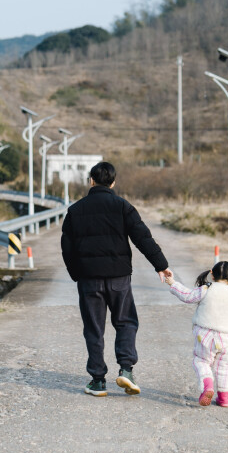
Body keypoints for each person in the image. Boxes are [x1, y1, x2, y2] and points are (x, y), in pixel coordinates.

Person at [61, 161, 172, 397]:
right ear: (113, 182)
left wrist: (76, 274)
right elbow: (143, 237)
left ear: (91, 181)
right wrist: (160, 265)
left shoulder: (75, 210)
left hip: (89, 279)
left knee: (94, 328)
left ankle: (98, 381)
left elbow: (67, 248)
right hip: (118, 277)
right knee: (125, 322)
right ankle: (126, 370)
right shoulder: (123, 206)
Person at [163, 261, 228, 408]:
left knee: (201, 361)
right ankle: (224, 399)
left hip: (205, 336)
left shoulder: (206, 289)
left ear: (212, 274)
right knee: (225, 367)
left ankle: (207, 385)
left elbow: (187, 296)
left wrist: (173, 283)